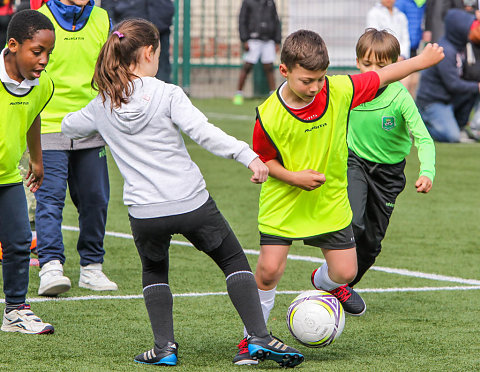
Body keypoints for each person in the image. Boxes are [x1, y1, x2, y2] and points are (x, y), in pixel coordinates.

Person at [61, 18, 304, 368]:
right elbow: (204, 133)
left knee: (155, 272)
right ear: (148, 52)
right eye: (158, 51)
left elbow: (70, 125)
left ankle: (164, 349)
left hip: (145, 213)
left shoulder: (102, 104)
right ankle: (259, 337)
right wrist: (248, 156)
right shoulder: (167, 93)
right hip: (192, 202)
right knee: (233, 261)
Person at [232, 29, 444, 365]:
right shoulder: (269, 113)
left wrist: (422, 61)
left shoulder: (340, 90)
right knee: (269, 270)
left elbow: (383, 74)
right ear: (284, 71)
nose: (314, 87)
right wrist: (293, 177)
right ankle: (252, 339)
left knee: (346, 271)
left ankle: (324, 283)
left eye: (319, 79)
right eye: (306, 81)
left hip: (328, 199)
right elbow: (265, 160)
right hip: (284, 199)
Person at [34, 0, 117, 296]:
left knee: (96, 199)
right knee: (50, 200)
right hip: (48, 126)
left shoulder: (103, 18)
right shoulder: (39, 18)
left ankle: (92, 268)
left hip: (91, 126)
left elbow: (110, 68)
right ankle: (50, 266)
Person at [347, 28, 435, 289]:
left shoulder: (400, 97)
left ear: (396, 65)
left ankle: (343, 287)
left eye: (381, 65)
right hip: (355, 163)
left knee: (371, 244)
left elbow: (424, 138)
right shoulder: (349, 90)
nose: (373, 71)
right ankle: (330, 277)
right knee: (353, 223)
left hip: (389, 176)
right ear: (357, 62)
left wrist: (427, 171)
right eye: (366, 64)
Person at [0, 9, 55, 334]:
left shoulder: (42, 85)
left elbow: (33, 116)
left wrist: (37, 158)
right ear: (13, 45)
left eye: (48, 53)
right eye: (37, 51)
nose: (44, 60)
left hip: (7, 176)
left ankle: (15, 311)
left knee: (20, 242)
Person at [416, 8, 480, 142]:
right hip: (433, 101)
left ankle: (460, 125)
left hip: (448, 99)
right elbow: (453, 84)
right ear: (459, 29)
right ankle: (420, 127)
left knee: (471, 91)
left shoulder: (460, 47)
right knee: (452, 136)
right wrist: (477, 86)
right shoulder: (445, 50)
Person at [101, 0, 175, 83]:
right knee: (127, 73)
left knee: (162, 70)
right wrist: (112, 24)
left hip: (159, 24)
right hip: (129, 30)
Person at [233, 0, 281, 105]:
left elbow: (276, 20)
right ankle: (238, 94)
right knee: (247, 66)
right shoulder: (248, 2)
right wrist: (244, 39)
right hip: (253, 40)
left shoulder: (270, 2)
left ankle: (273, 94)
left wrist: (277, 40)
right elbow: (242, 20)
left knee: (269, 67)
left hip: (269, 40)